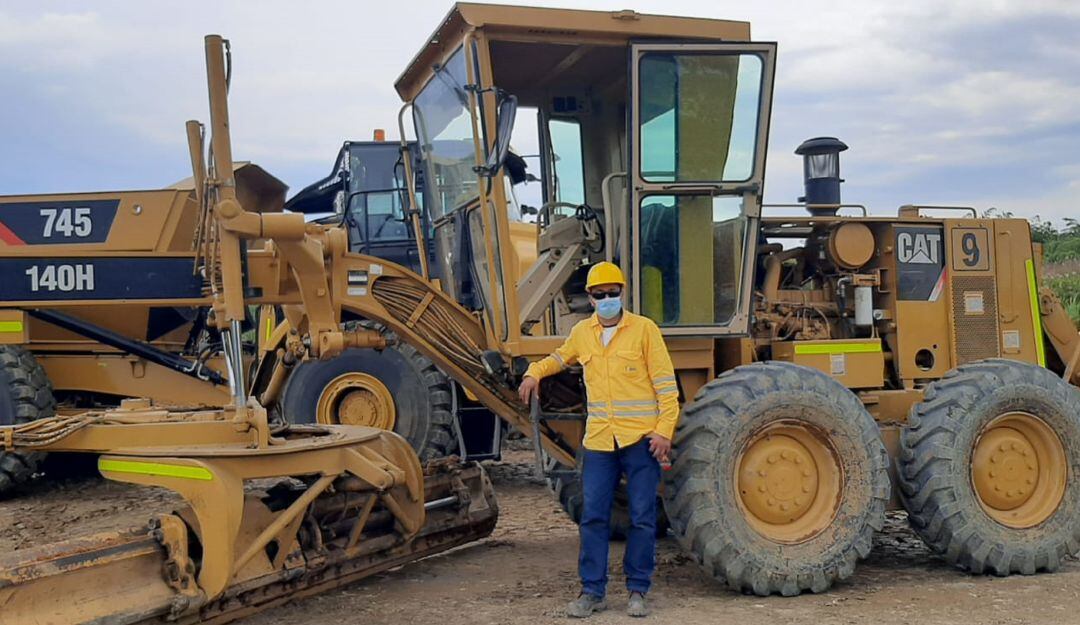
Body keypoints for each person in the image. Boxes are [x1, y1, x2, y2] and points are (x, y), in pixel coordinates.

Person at [517, 261, 679, 618]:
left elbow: (667, 390)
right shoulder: (582, 333)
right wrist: (532, 373)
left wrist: (663, 431)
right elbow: (558, 358)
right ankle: (592, 591)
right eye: (600, 294)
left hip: (640, 442)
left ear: (622, 293)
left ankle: (638, 589)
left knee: (641, 517)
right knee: (592, 517)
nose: (607, 299)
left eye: (613, 293)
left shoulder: (644, 331)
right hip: (601, 443)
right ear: (590, 298)